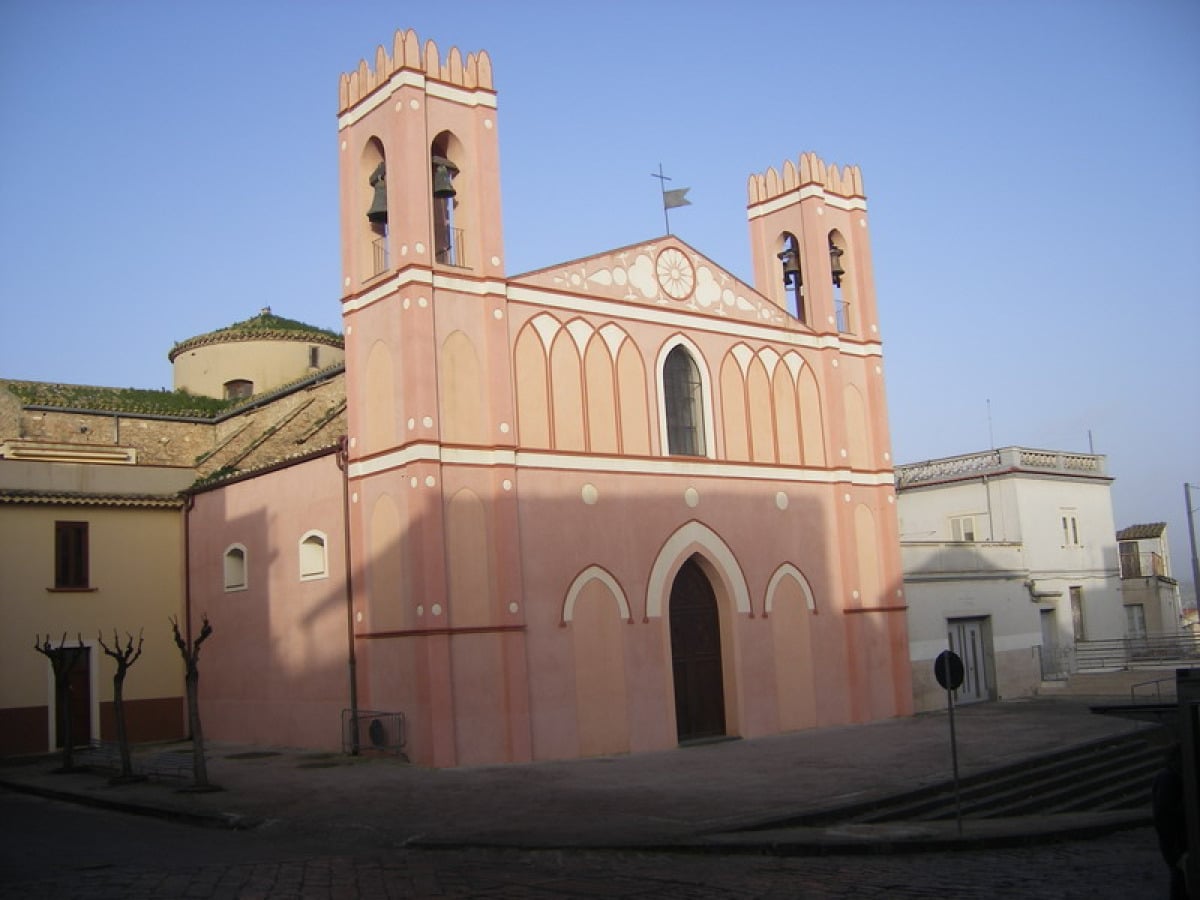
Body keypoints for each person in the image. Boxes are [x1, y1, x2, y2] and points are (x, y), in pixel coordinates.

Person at [1153, 743, 1190, 900]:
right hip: (1176, 844)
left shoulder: (1170, 777)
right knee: (1180, 879)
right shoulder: (1168, 778)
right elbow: (1165, 815)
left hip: (1175, 844)